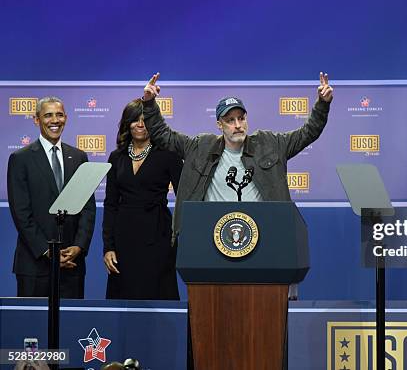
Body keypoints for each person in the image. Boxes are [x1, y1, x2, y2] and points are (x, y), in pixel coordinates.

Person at [141, 72, 333, 241]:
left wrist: (322, 105)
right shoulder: (200, 147)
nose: (238, 125)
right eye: (230, 120)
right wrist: (149, 103)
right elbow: (162, 135)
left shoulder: (270, 144)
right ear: (219, 125)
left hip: (264, 234)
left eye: (241, 118)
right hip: (210, 235)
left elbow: (307, 133)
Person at [7, 96, 95, 298]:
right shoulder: (20, 159)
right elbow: (21, 214)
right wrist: (48, 251)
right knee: (32, 328)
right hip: (34, 265)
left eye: (59, 115)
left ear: (66, 118)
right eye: (48, 115)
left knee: (70, 327)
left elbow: (88, 208)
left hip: (72, 265)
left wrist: (79, 246)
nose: (54, 120)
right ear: (36, 120)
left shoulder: (79, 156)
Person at [102, 99, 183, 300]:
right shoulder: (116, 157)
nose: (140, 125)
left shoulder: (168, 154)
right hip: (124, 239)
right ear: (126, 123)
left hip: (158, 236)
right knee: (124, 298)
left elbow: (184, 194)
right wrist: (108, 247)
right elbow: (110, 204)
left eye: (145, 120)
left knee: (157, 295)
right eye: (134, 120)